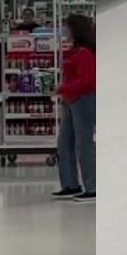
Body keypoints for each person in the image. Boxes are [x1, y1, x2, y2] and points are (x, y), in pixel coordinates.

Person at [52, 14, 96, 203]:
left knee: (83, 144)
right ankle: (70, 184)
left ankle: (92, 187)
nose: (64, 31)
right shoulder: (75, 50)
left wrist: (63, 88)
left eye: (66, 27)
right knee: (64, 144)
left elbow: (87, 81)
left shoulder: (85, 52)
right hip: (70, 101)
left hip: (83, 100)